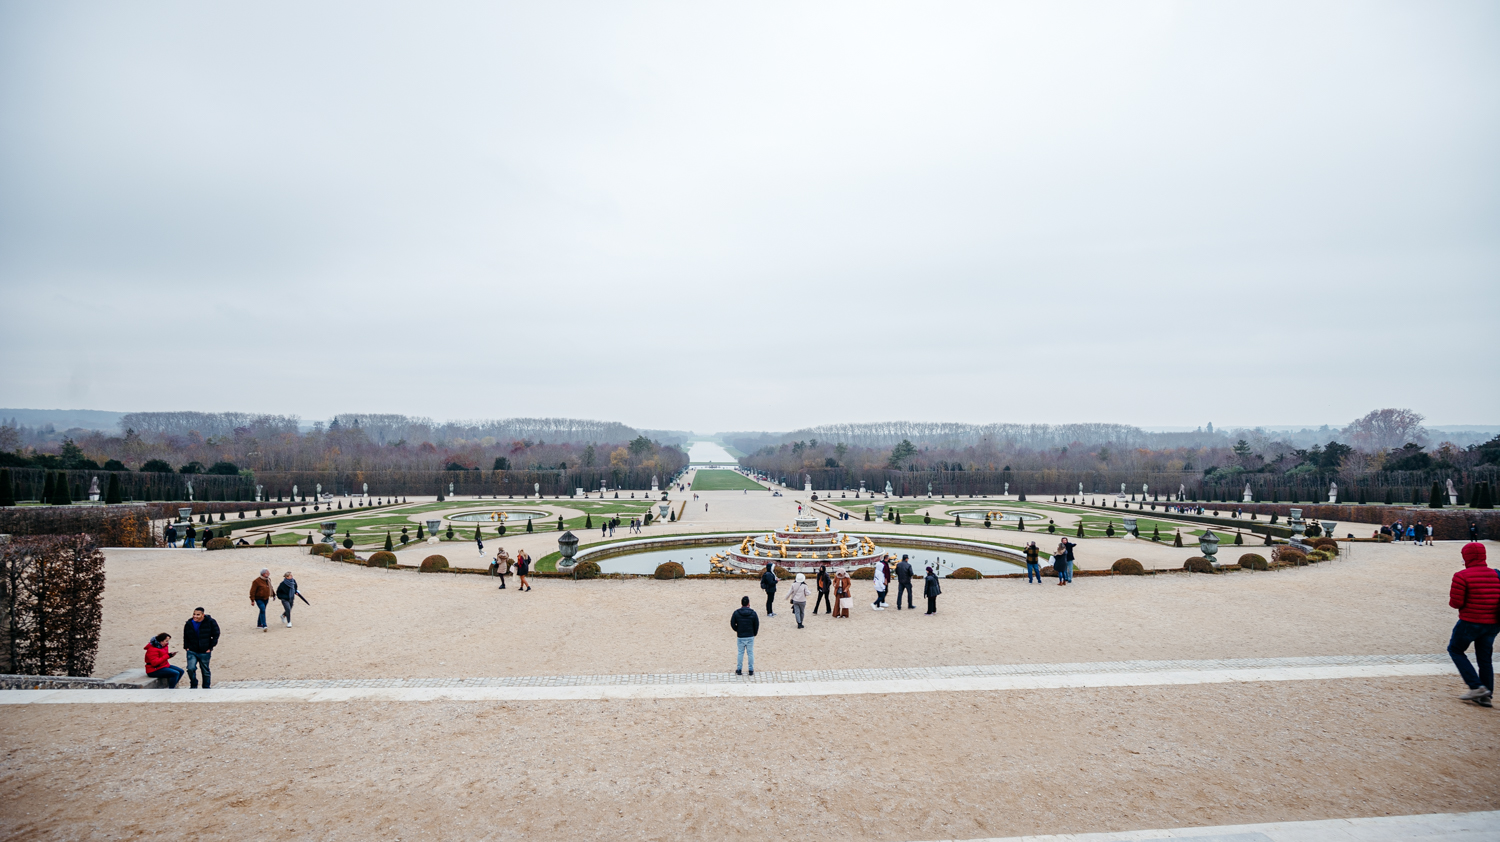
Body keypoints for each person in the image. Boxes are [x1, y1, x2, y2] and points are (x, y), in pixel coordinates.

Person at [1448, 542, 1499, 707]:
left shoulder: (1462, 576)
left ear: (1465, 557)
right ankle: (1486, 694)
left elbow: (1456, 603)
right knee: (1485, 658)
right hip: (1493, 623)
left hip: (1470, 621)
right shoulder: (1497, 574)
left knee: (1455, 650)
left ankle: (1476, 686)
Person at [182, 607, 220, 689]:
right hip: (192, 650)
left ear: (203, 615)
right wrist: (186, 647)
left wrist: (210, 647)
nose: (195, 616)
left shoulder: (210, 622)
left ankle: (206, 687)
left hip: (204, 651)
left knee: (205, 671)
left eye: (197, 615)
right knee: (190, 668)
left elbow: (216, 634)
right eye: (194, 614)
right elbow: (185, 636)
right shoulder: (189, 623)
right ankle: (193, 684)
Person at [731, 595, 759, 676]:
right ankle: (750, 669)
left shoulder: (736, 613)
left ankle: (739, 669)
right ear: (749, 604)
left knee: (740, 653)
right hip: (750, 635)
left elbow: (732, 623)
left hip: (741, 636)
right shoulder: (753, 613)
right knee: (750, 653)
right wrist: (754, 633)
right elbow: (756, 624)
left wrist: (737, 630)